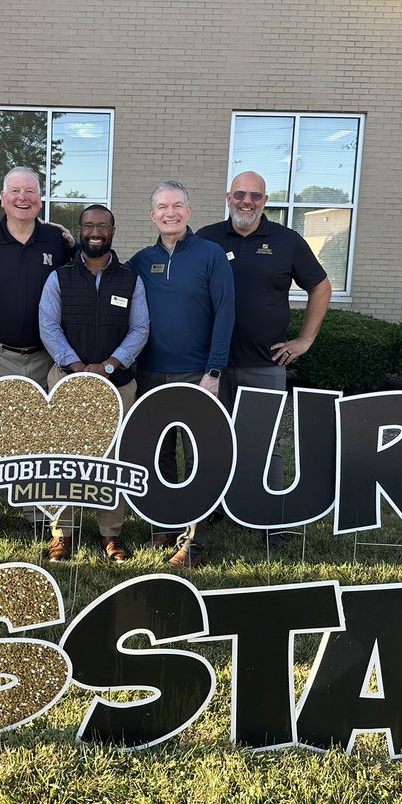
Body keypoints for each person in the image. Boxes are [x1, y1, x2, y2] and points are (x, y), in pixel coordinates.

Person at [197, 170, 332, 505]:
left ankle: (270, 512)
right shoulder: (206, 238)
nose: (247, 201)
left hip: (264, 362)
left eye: (255, 196)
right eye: (240, 194)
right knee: (212, 437)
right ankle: (214, 506)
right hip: (213, 364)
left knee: (267, 440)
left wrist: (305, 341)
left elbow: (321, 286)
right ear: (228, 198)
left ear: (265, 201)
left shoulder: (287, 241)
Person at [128, 180, 234, 568]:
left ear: (189, 212)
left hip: (197, 374)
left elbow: (226, 314)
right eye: (162, 207)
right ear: (152, 214)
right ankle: (165, 524)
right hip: (151, 373)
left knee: (197, 458)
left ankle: (195, 543)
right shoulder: (141, 260)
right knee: (160, 455)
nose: (169, 213)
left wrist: (214, 370)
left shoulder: (210, 255)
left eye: (177, 206)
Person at [37, 205, 150, 562]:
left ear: (113, 231)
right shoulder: (59, 277)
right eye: (88, 226)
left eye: (102, 226)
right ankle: (62, 535)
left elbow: (140, 328)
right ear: (80, 231)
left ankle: (110, 535)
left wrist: (111, 365)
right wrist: (78, 366)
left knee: (111, 459)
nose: (95, 232)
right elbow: (49, 326)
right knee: (63, 459)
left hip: (118, 384)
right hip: (68, 379)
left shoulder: (131, 280)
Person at [0, 166, 72, 534]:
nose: (23, 197)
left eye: (30, 191)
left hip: (46, 354)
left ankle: (37, 510)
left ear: (41, 198)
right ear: (2, 198)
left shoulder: (58, 242)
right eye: (15, 191)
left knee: (41, 434)